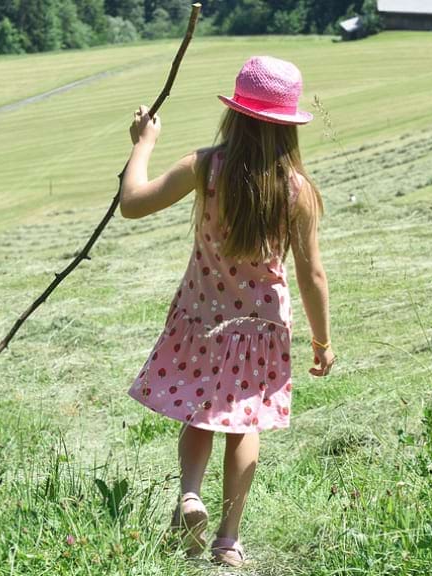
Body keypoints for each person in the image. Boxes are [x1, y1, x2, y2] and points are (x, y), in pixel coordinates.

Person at [121, 55, 334, 568]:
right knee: (243, 425)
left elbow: (132, 202)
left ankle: (190, 494)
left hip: (201, 316)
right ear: (289, 128)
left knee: (199, 408)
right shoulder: (297, 191)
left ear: (235, 113)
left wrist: (143, 144)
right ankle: (228, 540)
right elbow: (312, 275)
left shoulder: (204, 167)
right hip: (261, 330)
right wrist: (323, 342)